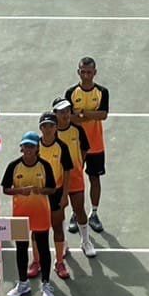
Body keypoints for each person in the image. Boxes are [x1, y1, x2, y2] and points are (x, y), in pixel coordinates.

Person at [3, 132, 57, 296]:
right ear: (21, 148)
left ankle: (46, 284)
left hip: (41, 213)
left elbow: (52, 188)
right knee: (21, 248)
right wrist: (20, 190)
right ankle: (23, 283)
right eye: (26, 146)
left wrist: (40, 190)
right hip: (20, 214)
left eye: (31, 146)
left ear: (37, 148)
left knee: (43, 248)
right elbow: (5, 188)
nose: (28, 149)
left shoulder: (45, 166)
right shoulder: (14, 166)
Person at [66, 56, 110, 235]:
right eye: (83, 72)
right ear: (78, 72)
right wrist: (91, 115)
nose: (86, 75)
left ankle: (94, 213)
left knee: (94, 178)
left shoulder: (102, 92)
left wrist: (83, 114)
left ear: (94, 72)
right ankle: (76, 214)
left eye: (89, 72)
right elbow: (69, 117)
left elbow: (103, 115)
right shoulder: (71, 92)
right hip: (75, 145)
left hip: (96, 144)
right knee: (76, 181)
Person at [50, 99, 95, 258]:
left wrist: (79, 163)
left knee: (79, 209)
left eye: (68, 111)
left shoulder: (77, 130)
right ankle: (63, 243)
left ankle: (85, 241)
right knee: (59, 213)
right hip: (57, 179)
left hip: (75, 177)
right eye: (62, 112)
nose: (66, 114)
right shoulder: (51, 132)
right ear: (55, 114)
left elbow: (84, 149)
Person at [35, 112, 76, 281]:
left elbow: (67, 172)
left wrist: (65, 195)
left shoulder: (62, 147)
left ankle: (59, 262)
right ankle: (36, 262)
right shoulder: (34, 146)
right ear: (40, 128)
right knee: (36, 229)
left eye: (51, 125)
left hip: (56, 193)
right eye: (44, 126)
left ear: (56, 127)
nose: (48, 129)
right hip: (38, 195)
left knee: (57, 228)